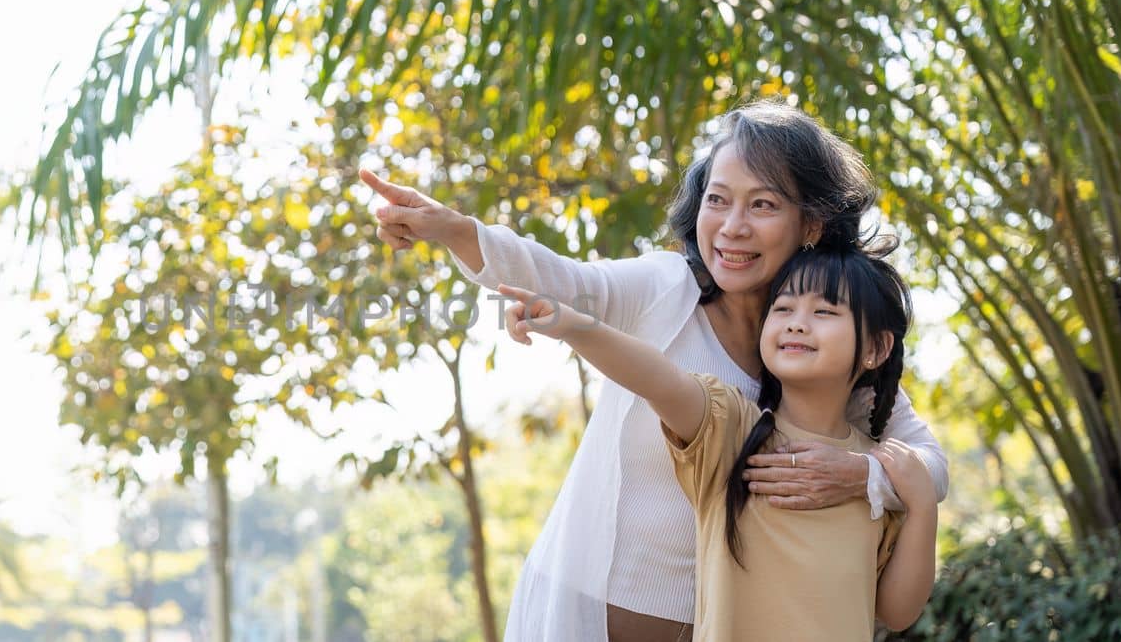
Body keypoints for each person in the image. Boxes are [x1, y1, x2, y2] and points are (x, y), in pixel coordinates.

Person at [363, 100, 949, 641]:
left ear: (813, 224)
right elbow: (569, 284)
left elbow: (930, 466)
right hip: (584, 618)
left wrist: (859, 475)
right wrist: (456, 230)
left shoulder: (823, 352)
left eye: (763, 204)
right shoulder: (667, 289)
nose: (732, 226)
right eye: (717, 200)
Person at [495, 245, 937, 640]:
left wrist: (922, 508)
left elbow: (897, 611)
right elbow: (659, 379)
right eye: (783, 309)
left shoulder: (875, 472)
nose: (797, 325)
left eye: (824, 312)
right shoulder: (732, 430)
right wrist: (571, 324)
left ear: (876, 348)